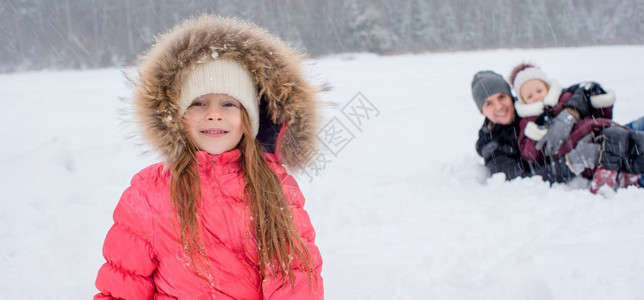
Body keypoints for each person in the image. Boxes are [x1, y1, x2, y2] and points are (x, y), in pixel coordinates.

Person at [94, 15, 324, 299]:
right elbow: (123, 285)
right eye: (198, 103)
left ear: (249, 119)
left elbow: (295, 278)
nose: (213, 114)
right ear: (177, 118)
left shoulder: (275, 187)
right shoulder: (148, 193)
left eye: (228, 103)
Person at [509, 63, 643, 193]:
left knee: (629, 141)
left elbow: (593, 98)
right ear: (523, 101)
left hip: (597, 130)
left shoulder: (565, 99)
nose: (537, 97)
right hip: (581, 145)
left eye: (539, 90)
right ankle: (606, 181)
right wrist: (536, 132)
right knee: (618, 142)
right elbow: (530, 154)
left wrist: (573, 112)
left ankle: (629, 175)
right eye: (529, 96)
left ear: (548, 88)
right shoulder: (529, 122)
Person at [472, 70, 575, 183]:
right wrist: (571, 163)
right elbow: (521, 179)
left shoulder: (529, 104)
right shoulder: (491, 145)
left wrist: (571, 112)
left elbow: (585, 90)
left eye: (502, 97)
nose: (499, 107)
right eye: (489, 103)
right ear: (482, 112)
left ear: (511, 96)